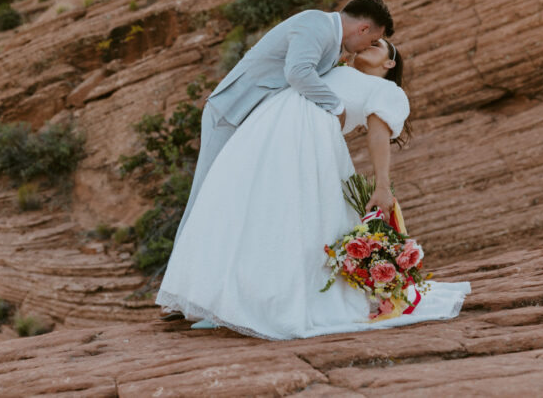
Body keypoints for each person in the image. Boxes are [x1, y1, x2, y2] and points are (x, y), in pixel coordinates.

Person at [155, 38, 471, 339]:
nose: (369, 44)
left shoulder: (385, 90)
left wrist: (382, 185)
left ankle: (266, 303)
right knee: (250, 211)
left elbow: (377, 136)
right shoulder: (333, 69)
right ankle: (225, 299)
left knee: (296, 222)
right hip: (272, 129)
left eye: (378, 45)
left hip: (307, 144)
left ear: (390, 62)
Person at [174, 0, 395, 244]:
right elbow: (298, 72)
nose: (369, 45)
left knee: (233, 200)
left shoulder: (333, 44)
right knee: (206, 194)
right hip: (232, 112)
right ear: (363, 28)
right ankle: (180, 268)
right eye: (373, 40)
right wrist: (337, 107)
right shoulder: (317, 23)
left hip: (255, 122)